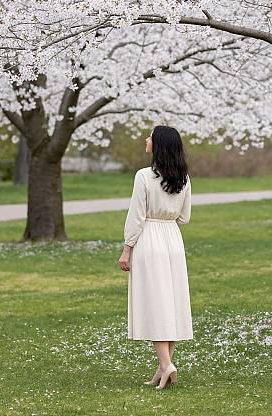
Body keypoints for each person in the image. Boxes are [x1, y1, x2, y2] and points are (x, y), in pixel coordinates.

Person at [118, 125, 193, 390]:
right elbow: (185, 217)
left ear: (159, 144)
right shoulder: (183, 178)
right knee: (170, 303)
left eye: (150, 136)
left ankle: (167, 364)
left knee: (154, 303)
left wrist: (127, 247)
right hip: (173, 240)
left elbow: (136, 216)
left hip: (149, 238)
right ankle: (163, 367)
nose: (146, 139)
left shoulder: (143, 176)